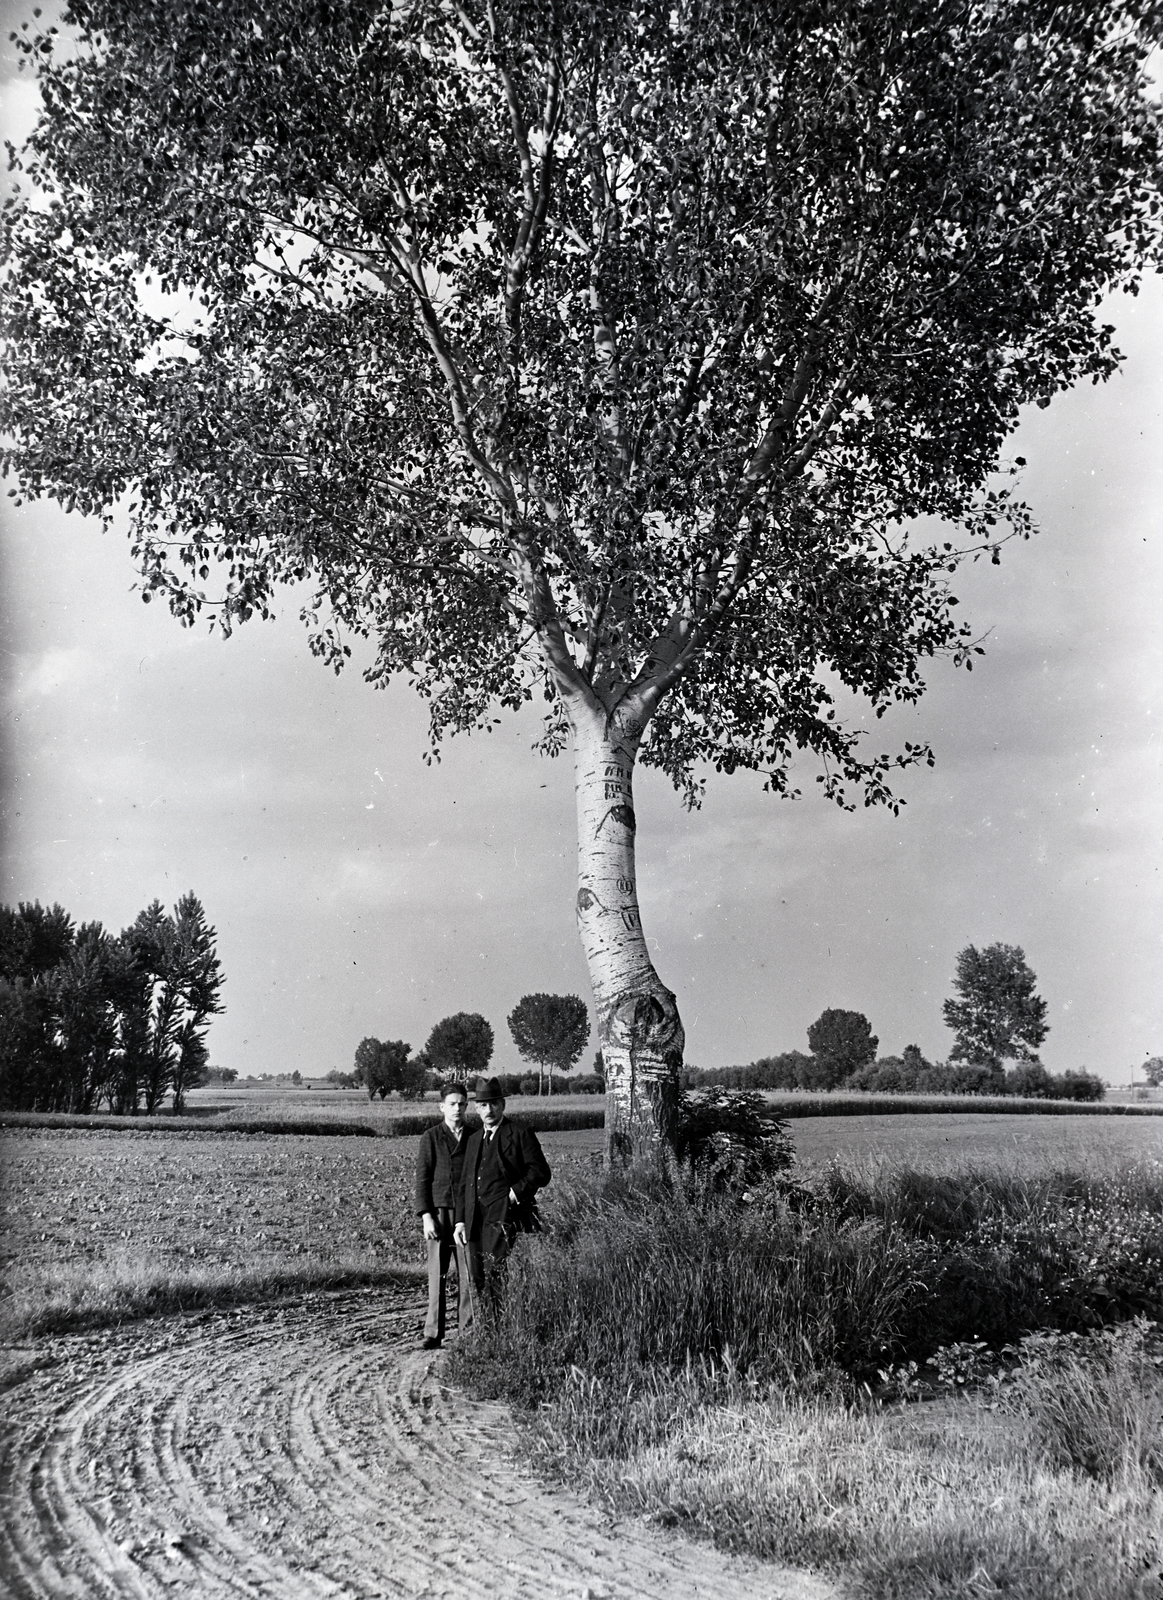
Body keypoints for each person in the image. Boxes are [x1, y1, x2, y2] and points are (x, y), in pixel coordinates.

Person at [454, 1075, 551, 1304]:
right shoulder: (474, 1139)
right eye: (484, 1105)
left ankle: (500, 1329)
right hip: (475, 1216)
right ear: (477, 1108)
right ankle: (489, 1328)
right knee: (477, 1274)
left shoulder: (519, 1133)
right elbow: (464, 1183)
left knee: (495, 1271)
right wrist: (460, 1221)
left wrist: (514, 1194)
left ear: (503, 1105)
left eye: (494, 1104)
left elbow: (540, 1172)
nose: (489, 1110)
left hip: (503, 1213)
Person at [414, 1080, 472, 1350]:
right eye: (452, 1104)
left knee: (468, 1273)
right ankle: (433, 1333)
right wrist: (426, 1216)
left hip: (467, 1214)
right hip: (438, 1214)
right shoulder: (431, 1136)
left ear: (467, 1106)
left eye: (461, 1104)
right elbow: (422, 1179)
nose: (457, 1108)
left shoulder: (476, 1135)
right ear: (442, 1107)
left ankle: (469, 1332)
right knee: (437, 1274)